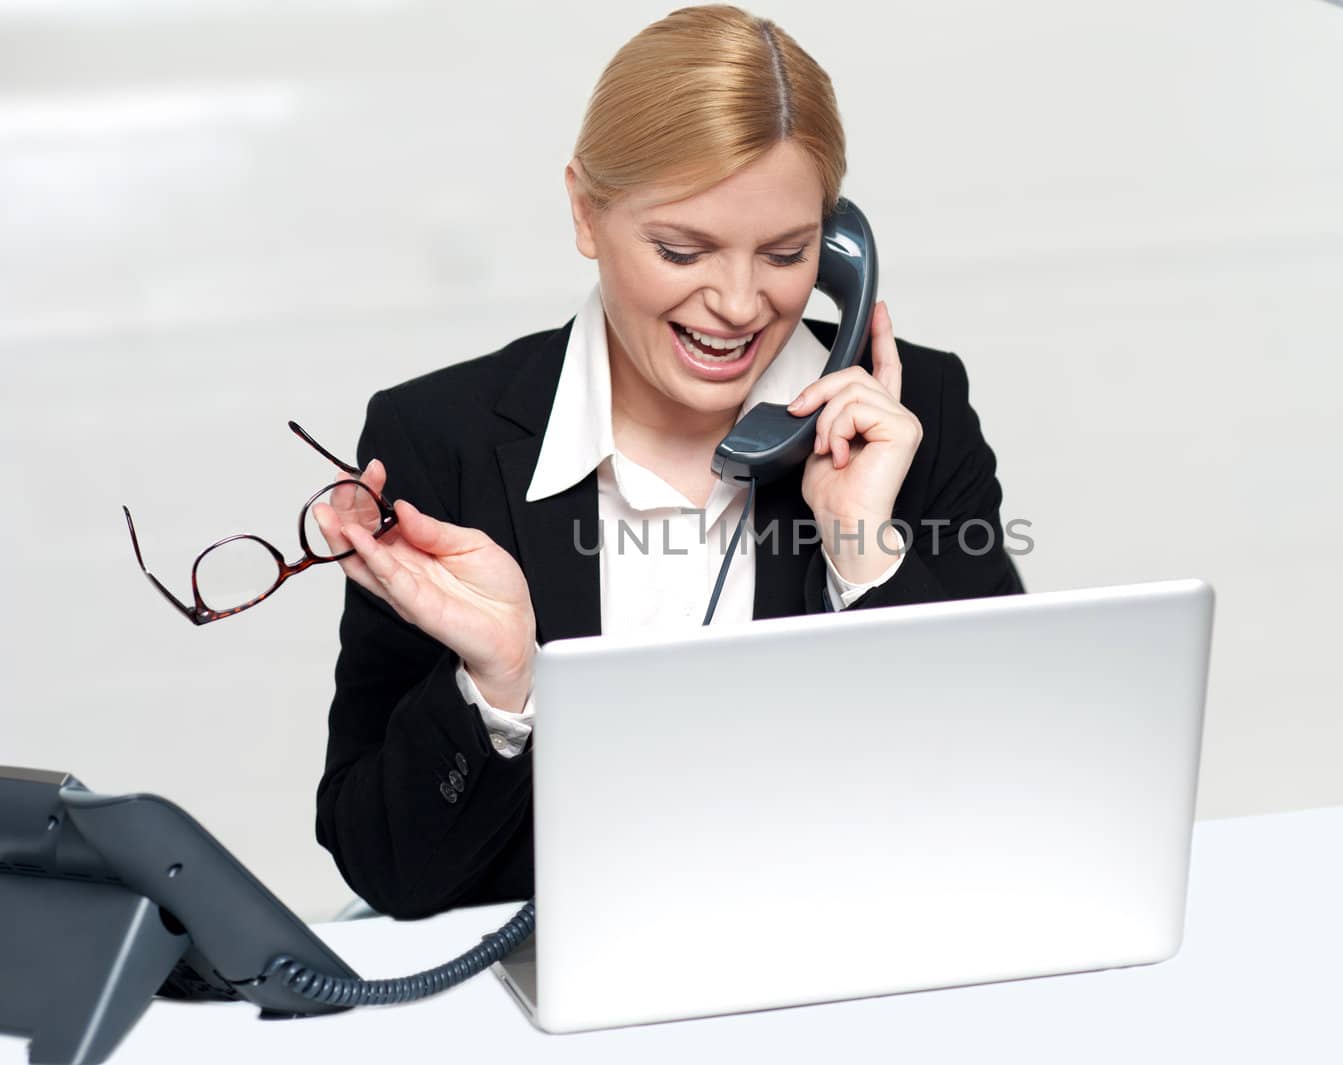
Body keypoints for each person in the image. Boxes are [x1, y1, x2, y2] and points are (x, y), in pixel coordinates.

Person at [311, 4, 1024, 920]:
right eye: (682, 249)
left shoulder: (911, 412)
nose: (736, 303)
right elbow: (385, 867)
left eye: (786, 252)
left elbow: (1007, 796)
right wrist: (496, 687)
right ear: (585, 210)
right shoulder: (434, 438)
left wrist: (864, 551)